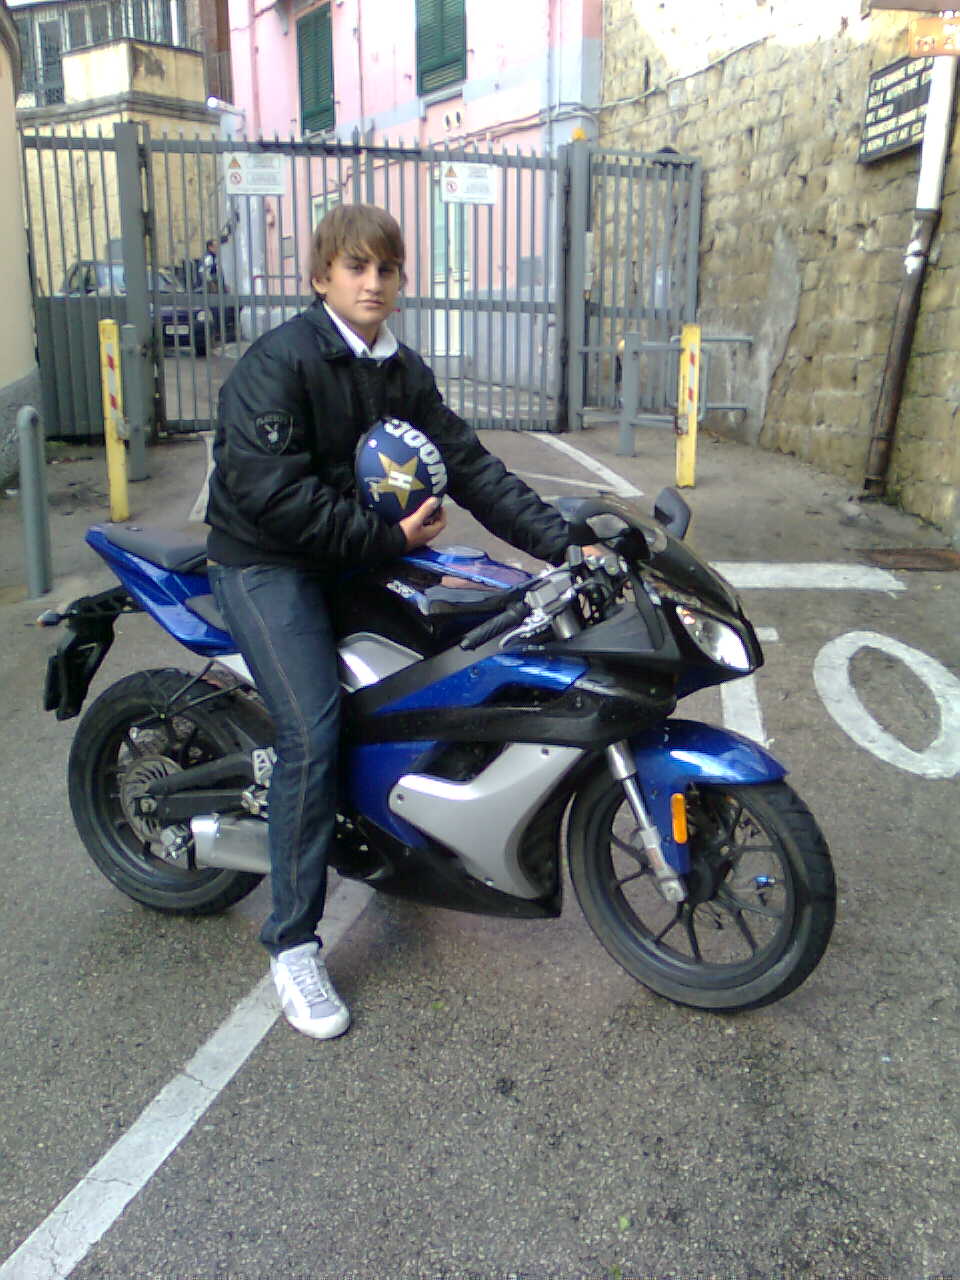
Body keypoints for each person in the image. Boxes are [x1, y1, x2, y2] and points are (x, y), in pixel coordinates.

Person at [205, 203, 590, 1041]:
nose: (373, 281)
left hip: (353, 554)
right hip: (265, 564)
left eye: (385, 267)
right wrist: (387, 538)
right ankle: (292, 943)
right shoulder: (279, 363)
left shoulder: (401, 370)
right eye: (355, 266)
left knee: (451, 661)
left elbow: (470, 466)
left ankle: (397, 837)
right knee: (312, 730)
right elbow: (270, 494)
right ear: (321, 277)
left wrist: (564, 544)